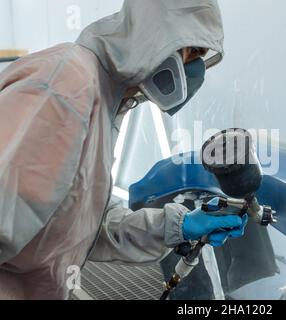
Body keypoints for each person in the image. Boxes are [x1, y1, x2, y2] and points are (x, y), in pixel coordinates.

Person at [0, 0, 248, 300]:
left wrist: (180, 225)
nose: (193, 71)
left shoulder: (105, 99)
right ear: (156, 35)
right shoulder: (68, 84)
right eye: (192, 52)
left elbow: (84, 225)